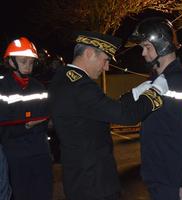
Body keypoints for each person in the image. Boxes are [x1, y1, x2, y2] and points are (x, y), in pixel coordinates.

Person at [49, 31, 168, 200]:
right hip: (94, 183)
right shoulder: (81, 87)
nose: (106, 67)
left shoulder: (64, 79)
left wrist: (134, 93)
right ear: (89, 53)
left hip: (80, 177)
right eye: (105, 60)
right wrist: (155, 92)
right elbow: (127, 115)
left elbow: (102, 109)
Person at [128, 17, 182, 200]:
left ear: (162, 45)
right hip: (160, 178)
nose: (143, 54)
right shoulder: (158, 81)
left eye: (147, 47)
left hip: (175, 183)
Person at [0, 37, 53, 200]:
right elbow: (3, 126)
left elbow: (46, 118)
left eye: (31, 62)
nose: (28, 66)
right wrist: (26, 127)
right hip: (16, 155)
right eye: (24, 61)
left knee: (43, 193)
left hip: (40, 152)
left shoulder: (39, 87)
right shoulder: (3, 88)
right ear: (10, 62)